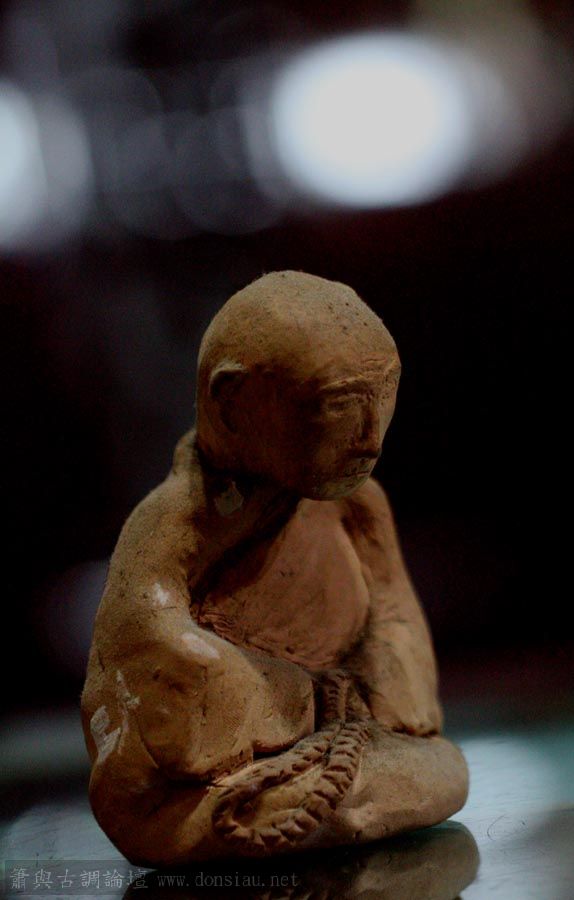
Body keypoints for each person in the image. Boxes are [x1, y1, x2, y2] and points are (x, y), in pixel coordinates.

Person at [81, 271, 467, 866]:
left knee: (434, 770)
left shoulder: (357, 504)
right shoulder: (178, 522)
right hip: (231, 766)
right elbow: (148, 650)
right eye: (339, 404)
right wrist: (295, 693)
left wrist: (377, 684)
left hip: (355, 739)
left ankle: (318, 793)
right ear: (233, 404)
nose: (370, 438)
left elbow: (396, 618)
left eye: (384, 395)